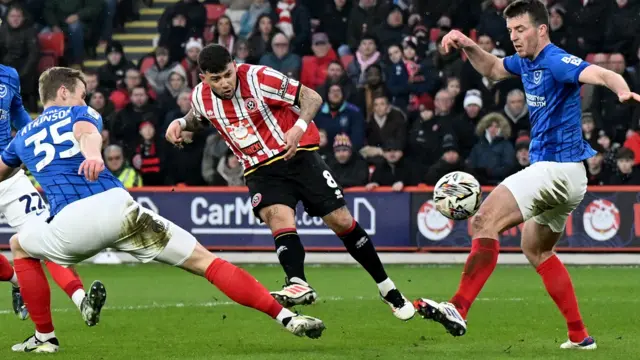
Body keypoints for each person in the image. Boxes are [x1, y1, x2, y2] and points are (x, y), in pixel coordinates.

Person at [4, 67, 325, 353]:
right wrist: (94, 155)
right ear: (64, 92)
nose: (84, 100)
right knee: (206, 262)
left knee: (20, 245)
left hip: (70, 229)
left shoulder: (22, 138)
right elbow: (86, 134)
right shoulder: (80, 113)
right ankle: (286, 318)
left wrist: (92, 153)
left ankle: (45, 337)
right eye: (81, 94)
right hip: (119, 210)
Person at [414, 0, 640, 350]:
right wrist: (467, 42)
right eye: (510, 31)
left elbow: (597, 73)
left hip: (555, 169)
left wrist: (620, 86)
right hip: (570, 179)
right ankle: (580, 336)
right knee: (536, 249)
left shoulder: (554, 59)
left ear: (541, 30)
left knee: (483, 220)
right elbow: (491, 68)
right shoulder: (525, 61)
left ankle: (458, 306)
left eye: (521, 30)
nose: (515, 37)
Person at [165, 44, 415, 321]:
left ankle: (387, 288)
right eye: (216, 79)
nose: (224, 83)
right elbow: (198, 118)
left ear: (234, 65)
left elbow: (311, 98)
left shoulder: (260, 78)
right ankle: (297, 281)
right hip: (259, 168)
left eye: (227, 74)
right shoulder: (201, 97)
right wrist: (179, 123)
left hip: (298, 156)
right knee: (277, 217)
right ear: (203, 78)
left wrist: (297, 129)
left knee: (341, 221)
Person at [0, 65, 98, 323]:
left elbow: (17, 111)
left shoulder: (9, 74)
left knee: (46, 240)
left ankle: (82, 301)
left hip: (6, 174)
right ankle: (17, 280)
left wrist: (34, 137)